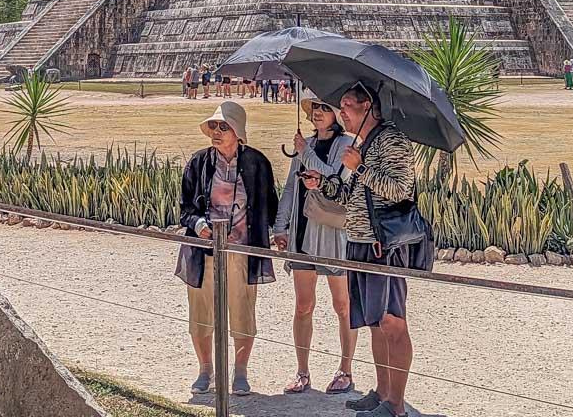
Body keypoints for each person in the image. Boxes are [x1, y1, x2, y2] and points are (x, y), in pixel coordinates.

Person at [305, 84, 427, 417]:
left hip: (383, 246)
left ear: (368, 106)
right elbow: (351, 195)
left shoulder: (391, 140)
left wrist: (359, 167)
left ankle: (396, 405)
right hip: (359, 242)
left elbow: (400, 190)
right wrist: (322, 182)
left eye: (347, 105)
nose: (341, 111)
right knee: (374, 322)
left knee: (392, 322)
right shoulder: (363, 142)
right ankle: (383, 391)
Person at [176, 101, 278, 397]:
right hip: (203, 250)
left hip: (242, 250)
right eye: (213, 126)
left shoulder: (257, 163)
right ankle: (205, 369)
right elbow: (185, 209)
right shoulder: (198, 162)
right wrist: (199, 225)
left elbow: (270, 206)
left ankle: (240, 371)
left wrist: (281, 233)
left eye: (223, 126)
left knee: (243, 312)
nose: (216, 132)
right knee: (200, 313)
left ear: (238, 132)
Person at [273, 90, 358, 395]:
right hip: (302, 230)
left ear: (335, 113)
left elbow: (335, 180)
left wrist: (305, 153)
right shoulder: (305, 144)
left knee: (342, 305)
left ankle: (346, 369)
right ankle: (302, 370)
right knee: (303, 305)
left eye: (324, 107)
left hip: (333, 231)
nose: (317, 112)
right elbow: (290, 188)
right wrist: (280, 226)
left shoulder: (347, 144)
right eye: (314, 107)